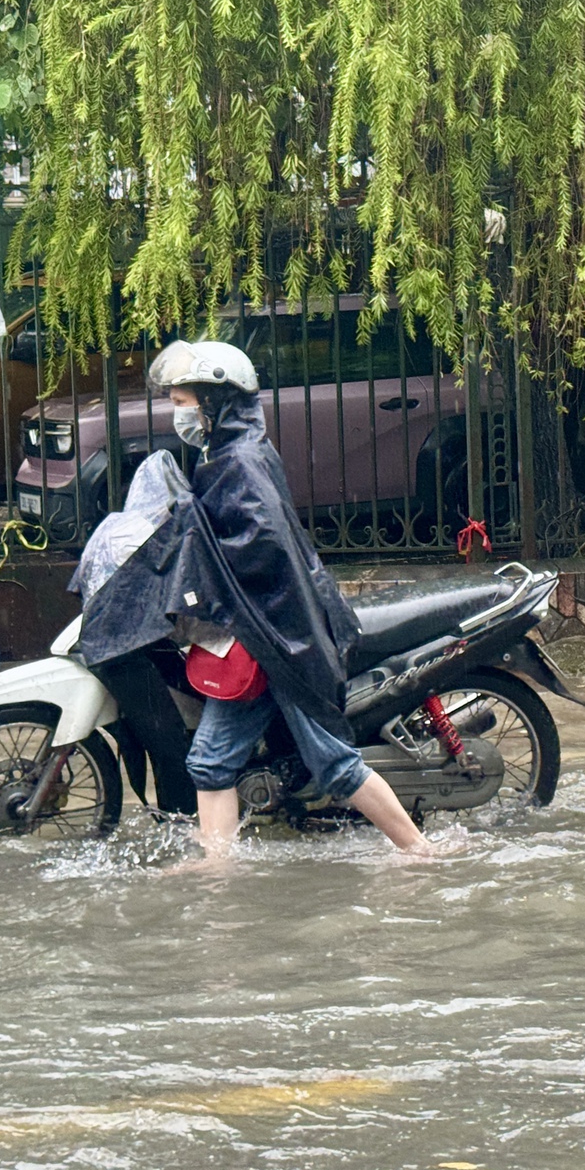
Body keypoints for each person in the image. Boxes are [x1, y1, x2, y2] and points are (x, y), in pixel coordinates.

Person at [152, 339, 431, 859]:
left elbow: (264, 547)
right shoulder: (226, 456)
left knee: (334, 763)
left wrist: (209, 558)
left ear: (214, 401)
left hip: (283, 637)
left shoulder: (240, 462)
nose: (178, 415)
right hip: (258, 634)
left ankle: (421, 851)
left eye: (182, 402)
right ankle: (217, 871)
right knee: (212, 760)